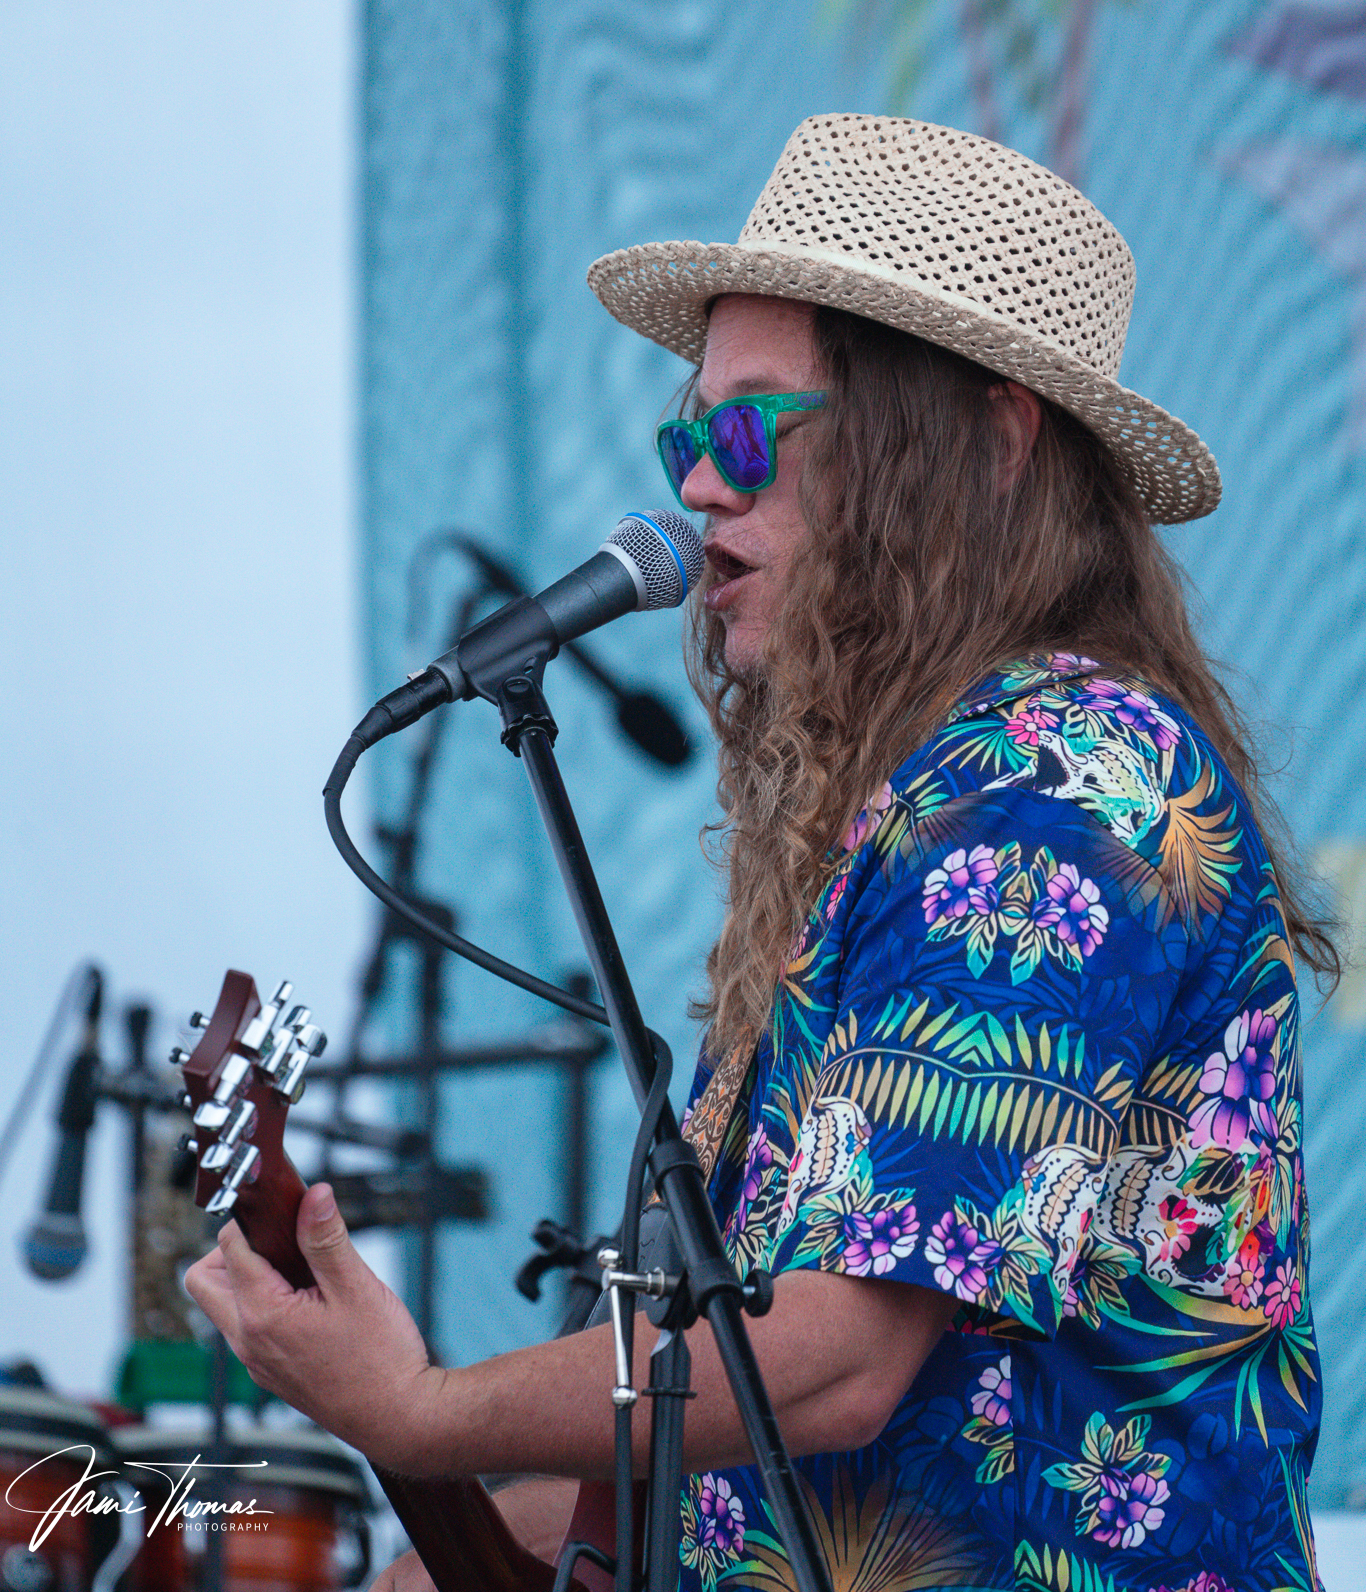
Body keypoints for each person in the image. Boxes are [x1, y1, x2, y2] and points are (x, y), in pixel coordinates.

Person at [187, 115, 1334, 1592]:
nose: (698, 491)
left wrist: (420, 1414)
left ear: (985, 447)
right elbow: (756, 1417)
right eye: (689, 436)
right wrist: (482, 1543)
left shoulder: (1055, 790)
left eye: (748, 433)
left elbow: (836, 1360)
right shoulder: (919, 800)